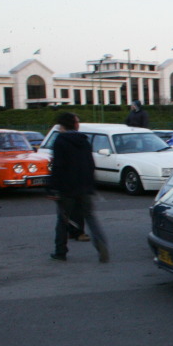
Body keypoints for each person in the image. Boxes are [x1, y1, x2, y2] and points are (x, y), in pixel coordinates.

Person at [47, 112, 108, 263]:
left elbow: (58, 166)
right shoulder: (84, 141)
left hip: (66, 188)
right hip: (84, 187)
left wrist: (52, 187)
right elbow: (90, 164)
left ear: (62, 125)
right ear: (74, 124)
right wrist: (90, 184)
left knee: (63, 220)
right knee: (90, 217)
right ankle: (101, 244)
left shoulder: (60, 141)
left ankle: (60, 252)